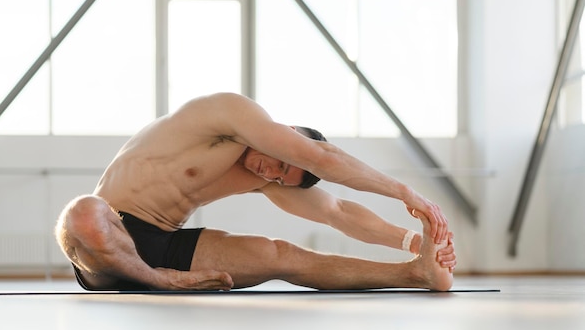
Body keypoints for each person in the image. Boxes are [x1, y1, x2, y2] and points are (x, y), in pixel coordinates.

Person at [56, 92, 456, 292]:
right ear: (285, 137)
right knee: (84, 213)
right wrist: (406, 193)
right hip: (111, 242)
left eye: (283, 179)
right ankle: (158, 281)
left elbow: (337, 212)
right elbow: (321, 157)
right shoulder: (229, 114)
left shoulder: (261, 176)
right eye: (281, 163)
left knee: (280, 254)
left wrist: (418, 241)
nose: (274, 174)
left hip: (167, 248)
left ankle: (414, 274)